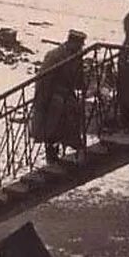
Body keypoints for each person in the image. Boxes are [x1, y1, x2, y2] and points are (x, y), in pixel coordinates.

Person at [30, 30, 86, 164]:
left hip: (66, 96)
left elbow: (78, 80)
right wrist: (43, 101)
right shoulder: (55, 55)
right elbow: (44, 80)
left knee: (71, 120)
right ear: (71, 42)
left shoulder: (76, 56)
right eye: (79, 45)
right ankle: (52, 154)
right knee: (53, 127)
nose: (80, 48)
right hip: (52, 97)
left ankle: (69, 149)